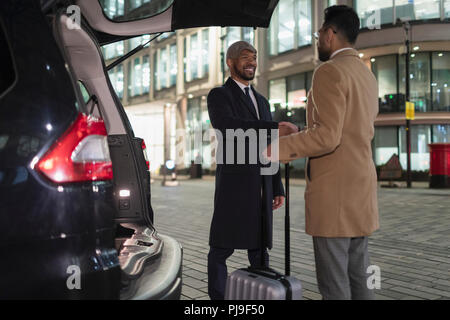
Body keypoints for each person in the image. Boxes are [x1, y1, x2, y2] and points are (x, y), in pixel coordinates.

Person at [275, 5, 380, 300]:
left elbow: (327, 137)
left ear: (330, 34)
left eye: (319, 33)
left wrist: (275, 148)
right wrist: (303, 132)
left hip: (335, 197)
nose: (317, 39)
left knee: (334, 286)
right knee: (360, 278)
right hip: (361, 191)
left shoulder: (329, 71)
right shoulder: (366, 74)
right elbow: (346, 129)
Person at [206, 41, 289, 300]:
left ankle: (259, 298)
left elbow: (269, 146)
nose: (251, 62)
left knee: (260, 248)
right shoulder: (219, 95)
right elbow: (228, 126)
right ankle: (218, 300)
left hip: (262, 185)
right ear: (230, 62)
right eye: (245, 57)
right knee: (221, 248)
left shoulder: (262, 101)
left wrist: (277, 186)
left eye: (254, 57)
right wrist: (273, 127)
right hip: (234, 186)